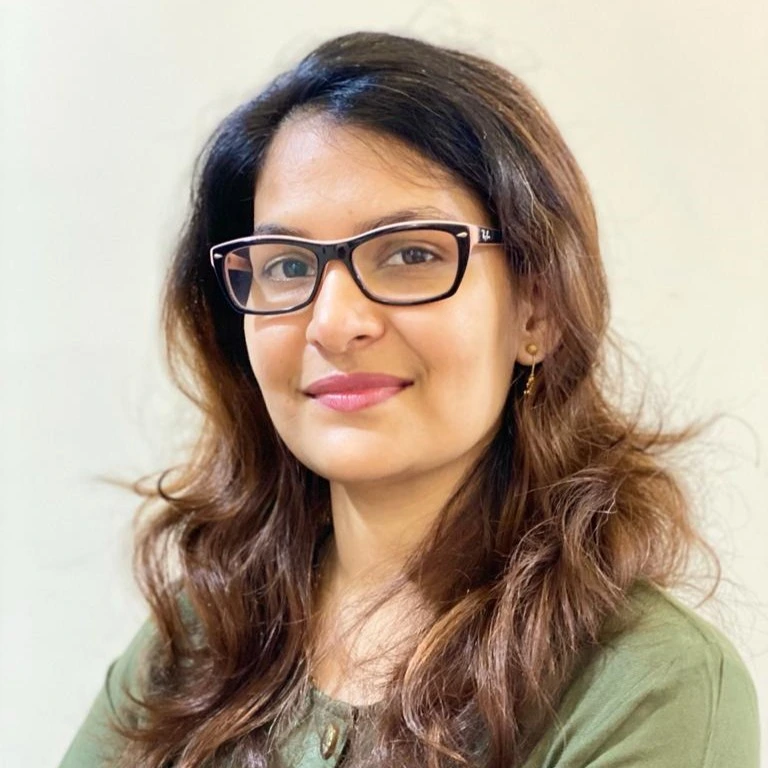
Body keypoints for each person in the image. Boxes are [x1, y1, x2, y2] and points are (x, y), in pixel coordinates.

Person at [59, 31, 760, 768]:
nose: (333, 323)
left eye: (410, 253)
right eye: (288, 266)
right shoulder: (203, 634)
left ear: (536, 310)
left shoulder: (647, 687)